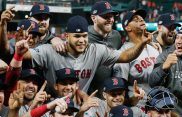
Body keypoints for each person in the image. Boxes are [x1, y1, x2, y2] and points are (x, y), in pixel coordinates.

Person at [18, 15, 152, 93]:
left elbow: (125, 56)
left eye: (84, 36)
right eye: (77, 36)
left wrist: (142, 43)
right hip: (51, 103)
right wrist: (21, 48)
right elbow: (25, 55)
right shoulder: (50, 50)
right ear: (67, 36)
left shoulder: (96, 50)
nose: (82, 40)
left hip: (81, 104)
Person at [113, 9, 160, 108]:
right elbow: (119, 88)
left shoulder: (154, 49)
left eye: (141, 18)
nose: (141, 20)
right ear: (128, 28)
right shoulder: (124, 53)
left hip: (159, 106)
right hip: (138, 107)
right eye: (135, 19)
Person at [88, 1, 122, 98]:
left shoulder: (116, 36)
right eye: (105, 16)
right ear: (93, 18)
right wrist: (54, 39)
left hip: (109, 93)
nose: (110, 19)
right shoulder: (84, 37)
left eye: (111, 16)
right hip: (88, 93)